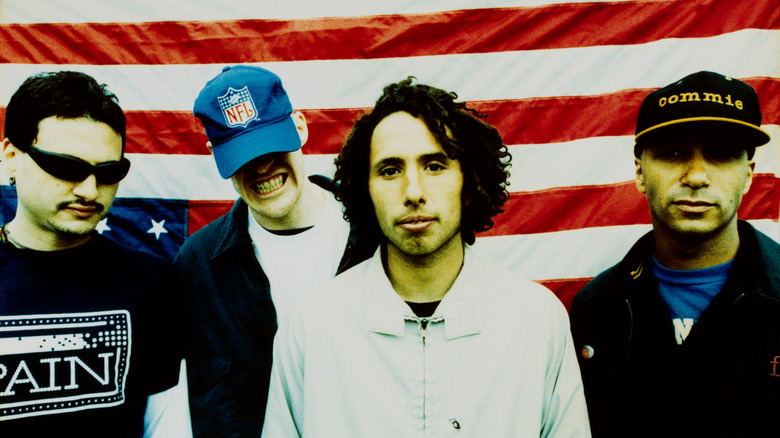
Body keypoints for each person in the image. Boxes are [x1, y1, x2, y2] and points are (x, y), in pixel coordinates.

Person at [262, 77, 591, 437]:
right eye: (390, 170)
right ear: (365, 190)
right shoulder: (311, 328)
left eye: (434, 166)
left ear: (470, 183)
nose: (413, 192)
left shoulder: (537, 322)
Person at [569, 71, 780, 437]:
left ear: (747, 175)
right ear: (640, 172)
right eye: (674, 153)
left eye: (720, 154)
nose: (696, 176)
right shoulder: (598, 309)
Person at [177, 65, 374, 437]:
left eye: (270, 145)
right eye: (243, 155)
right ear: (214, 153)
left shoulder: (375, 234)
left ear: (299, 127)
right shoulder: (198, 265)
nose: (263, 166)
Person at [0, 71, 190, 436]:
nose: (89, 190)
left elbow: (167, 424)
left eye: (109, 172)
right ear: (11, 155)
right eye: (66, 167)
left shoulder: (152, 283)